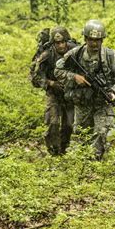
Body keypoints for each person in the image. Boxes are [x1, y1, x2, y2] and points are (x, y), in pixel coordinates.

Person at [55, 20, 115, 160]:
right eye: (91, 40)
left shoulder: (110, 56)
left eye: (98, 40)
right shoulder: (75, 54)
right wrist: (74, 77)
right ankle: (79, 166)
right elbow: (58, 70)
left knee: (101, 134)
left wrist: (114, 92)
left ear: (102, 40)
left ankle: (95, 165)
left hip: (103, 103)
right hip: (83, 102)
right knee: (81, 135)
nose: (94, 43)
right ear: (85, 38)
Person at [31, 27, 77, 155]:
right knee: (53, 122)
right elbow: (35, 77)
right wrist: (51, 83)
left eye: (63, 42)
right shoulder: (47, 55)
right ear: (53, 43)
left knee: (69, 125)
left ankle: (64, 148)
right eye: (57, 43)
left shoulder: (75, 52)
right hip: (54, 93)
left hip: (70, 93)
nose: (61, 45)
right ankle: (53, 151)